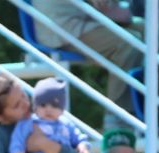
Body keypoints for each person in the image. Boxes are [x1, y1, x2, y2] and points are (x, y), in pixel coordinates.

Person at [31, 0, 142, 132]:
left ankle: (145, 109)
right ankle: (118, 119)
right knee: (128, 44)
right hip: (62, 25)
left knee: (146, 29)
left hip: (85, 15)